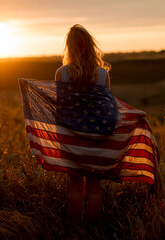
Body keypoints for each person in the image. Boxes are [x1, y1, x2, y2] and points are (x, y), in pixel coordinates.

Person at [54, 24, 111, 224]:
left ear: (69, 47)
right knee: (95, 188)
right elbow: (108, 108)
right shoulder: (102, 74)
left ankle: (76, 230)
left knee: (75, 187)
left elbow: (61, 107)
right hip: (96, 139)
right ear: (89, 46)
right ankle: (92, 230)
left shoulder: (61, 73)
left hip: (72, 138)